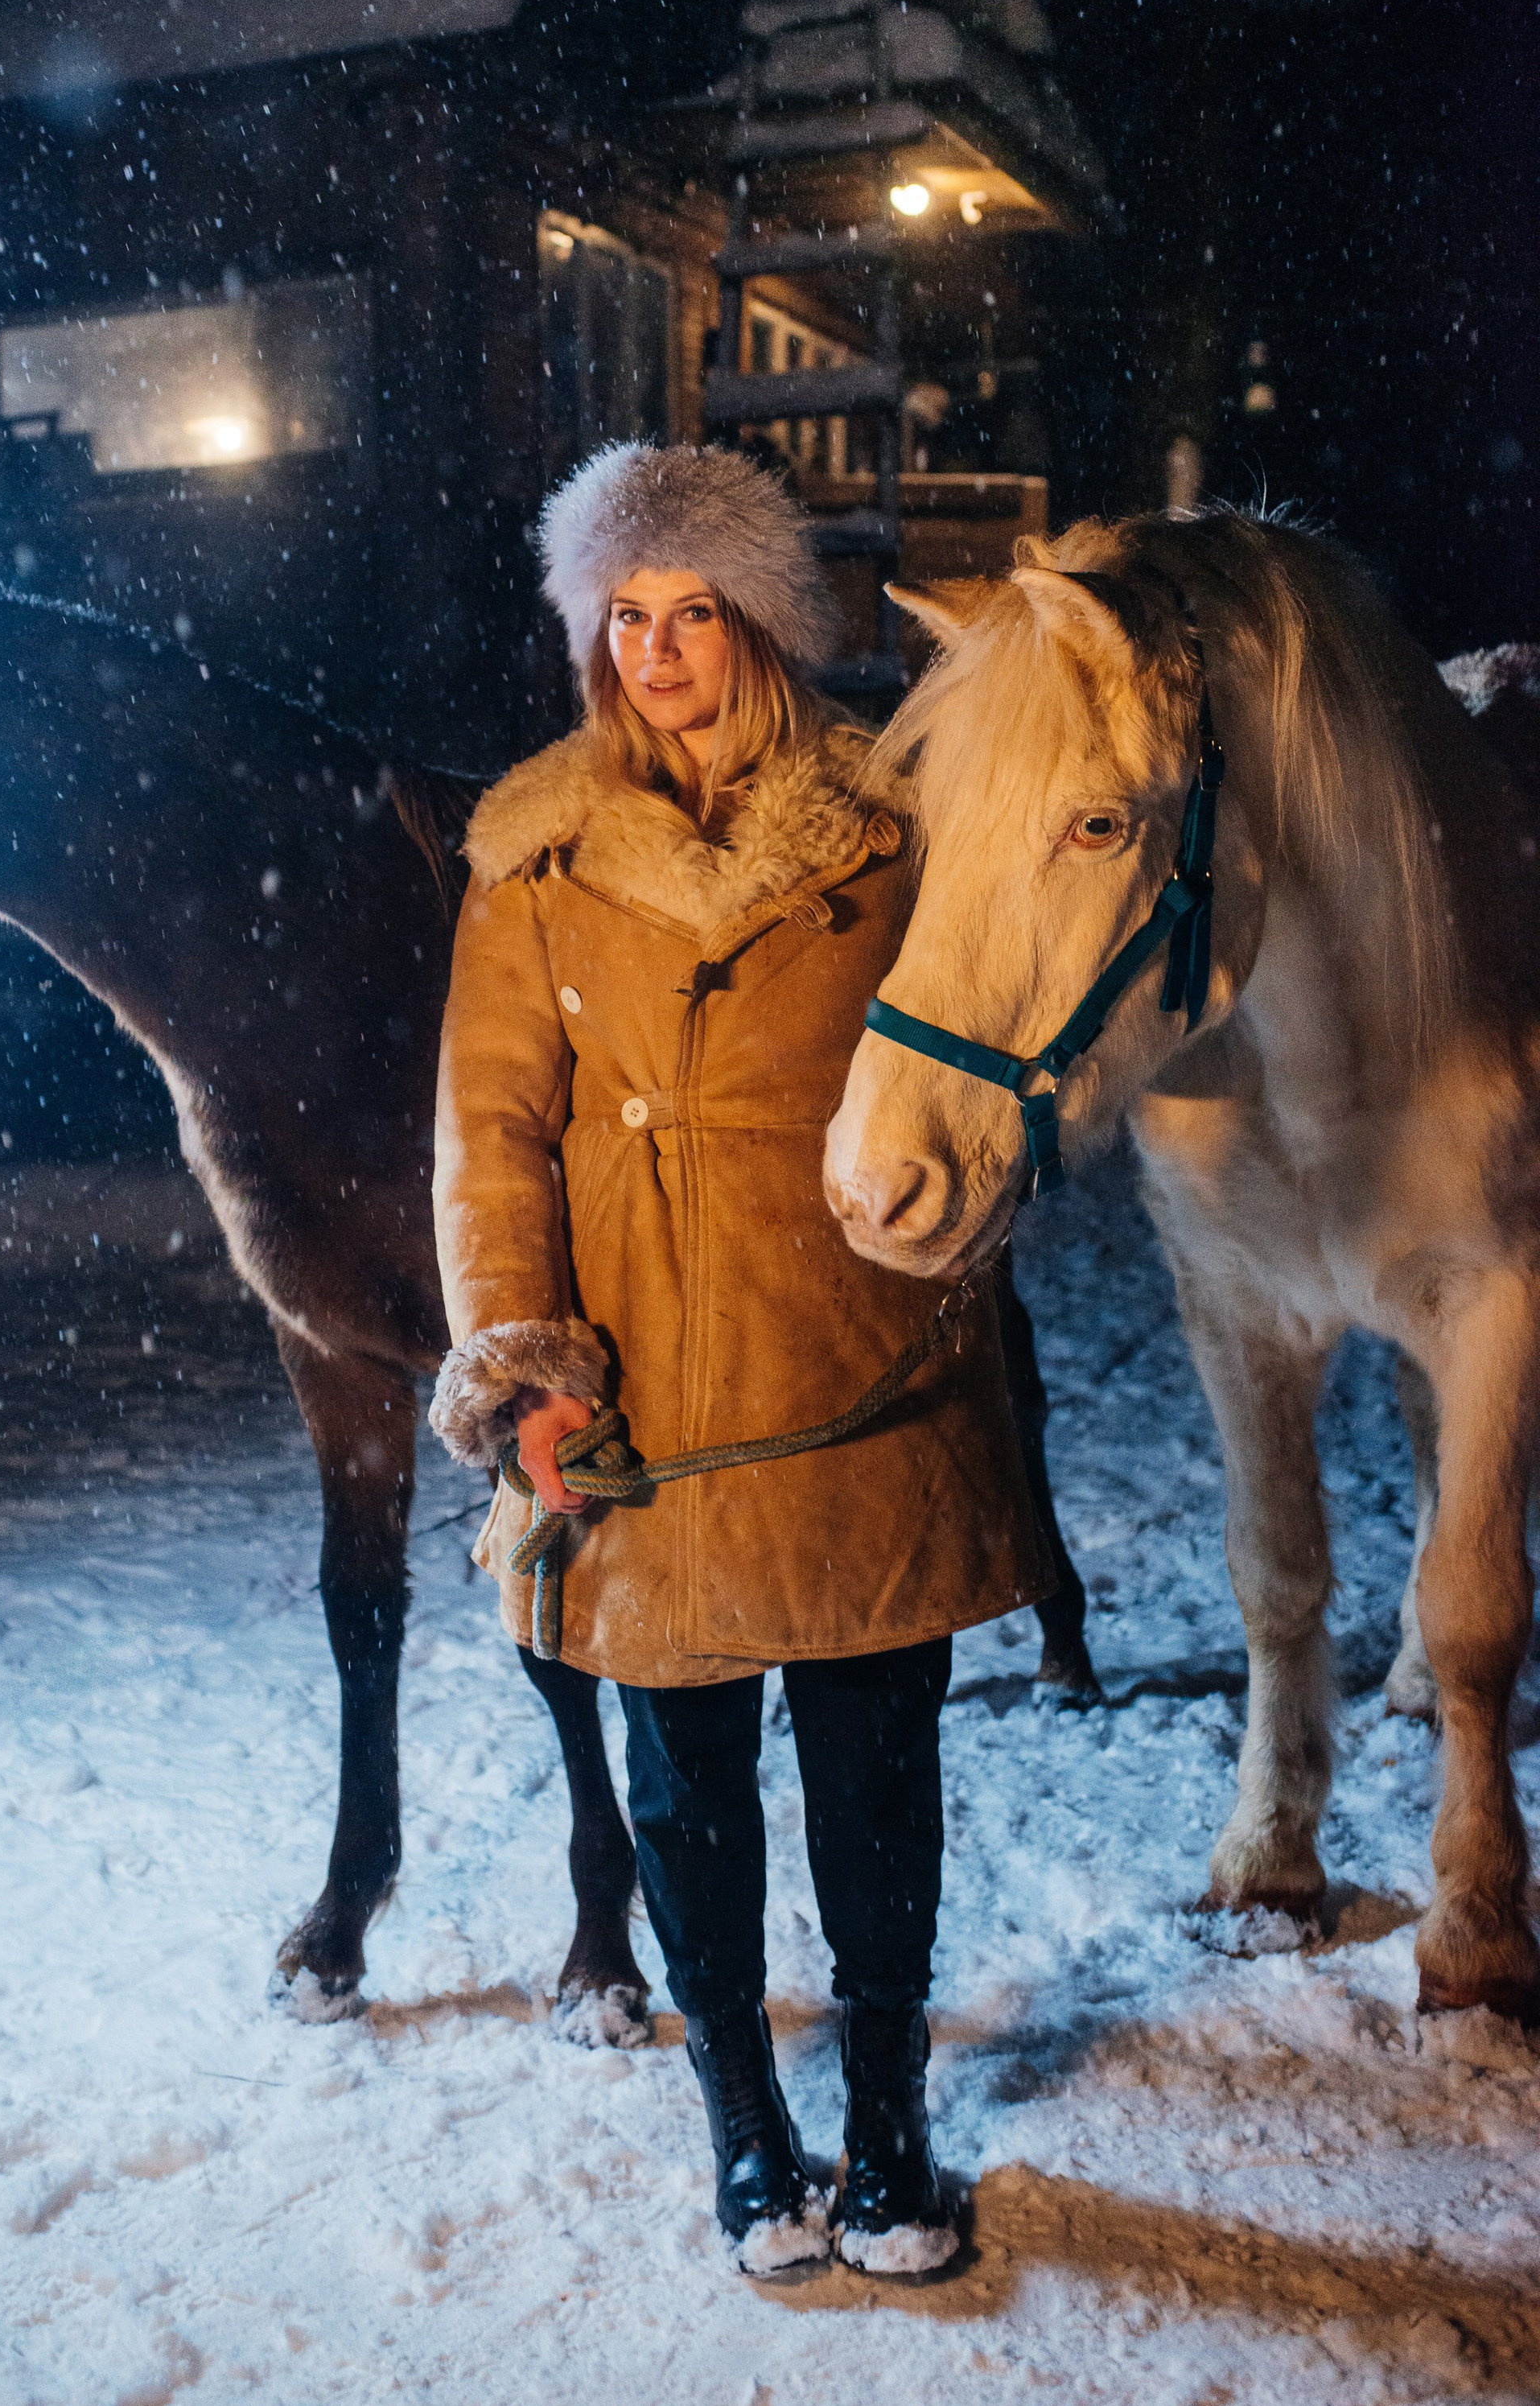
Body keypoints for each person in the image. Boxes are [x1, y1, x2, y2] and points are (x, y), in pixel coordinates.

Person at [428, 440, 1054, 2276]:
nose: (655, 650)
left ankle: (889, 2130)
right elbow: (489, 1133)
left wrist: (972, 1206)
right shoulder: (535, 851)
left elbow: (990, 1043)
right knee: (686, 1790)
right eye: (624, 615)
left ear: (761, 627)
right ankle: (745, 2131)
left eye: (691, 611)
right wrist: (524, 1363)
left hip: (859, 1370)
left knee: (875, 1780)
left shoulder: (891, 826)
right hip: (638, 1394)